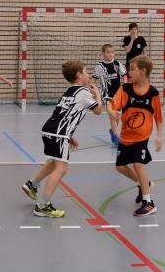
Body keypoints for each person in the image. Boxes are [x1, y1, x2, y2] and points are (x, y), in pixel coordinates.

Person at [21, 61, 103, 218]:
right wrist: (97, 94)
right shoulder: (83, 92)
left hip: (50, 130)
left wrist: (69, 135)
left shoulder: (69, 91)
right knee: (62, 168)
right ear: (79, 75)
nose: (88, 75)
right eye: (86, 71)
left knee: (55, 161)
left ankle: (32, 184)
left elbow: (62, 114)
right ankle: (43, 205)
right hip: (59, 133)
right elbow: (98, 110)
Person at [107, 55, 164, 217]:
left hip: (142, 138)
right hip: (126, 136)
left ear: (143, 71)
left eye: (132, 69)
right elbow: (112, 104)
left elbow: (158, 117)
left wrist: (159, 136)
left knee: (138, 165)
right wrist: (111, 112)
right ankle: (144, 184)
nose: (129, 72)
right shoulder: (125, 89)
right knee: (120, 167)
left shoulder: (152, 93)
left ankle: (148, 203)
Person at [93, 44, 127, 146]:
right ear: (103, 54)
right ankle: (116, 136)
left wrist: (125, 85)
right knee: (112, 115)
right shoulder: (99, 66)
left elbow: (124, 75)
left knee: (117, 116)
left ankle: (113, 131)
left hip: (118, 94)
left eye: (112, 52)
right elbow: (93, 80)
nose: (110, 54)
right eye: (108, 52)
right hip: (106, 94)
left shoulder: (117, 64)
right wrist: (93, 91)